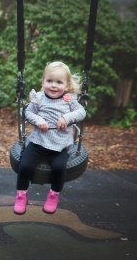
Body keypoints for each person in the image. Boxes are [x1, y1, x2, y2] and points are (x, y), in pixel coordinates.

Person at [14, 61, 86, 214]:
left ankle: (54, 195)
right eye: (50, 81)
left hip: (60, 145)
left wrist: (66, 118)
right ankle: (21, 195)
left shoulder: (69, 100)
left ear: (66, 85)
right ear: (43, 82)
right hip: (38, 141)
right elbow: (27, 113)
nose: (54, 85)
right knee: (25, 166)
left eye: (59, 82)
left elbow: (82, 112)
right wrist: (39, 120)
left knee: (60, 168)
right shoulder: (38, 98)